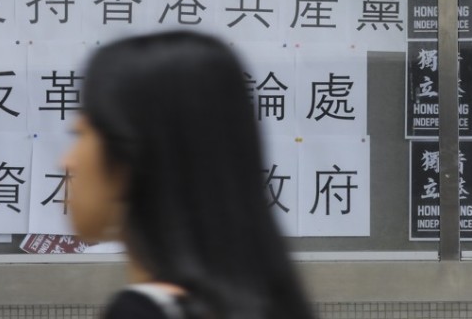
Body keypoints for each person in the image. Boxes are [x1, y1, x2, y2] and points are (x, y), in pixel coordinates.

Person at [62, 31, 316, 319]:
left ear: (131, 153)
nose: (66, 161)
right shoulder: (267, 304)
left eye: (80, 132)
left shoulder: (144, 312)